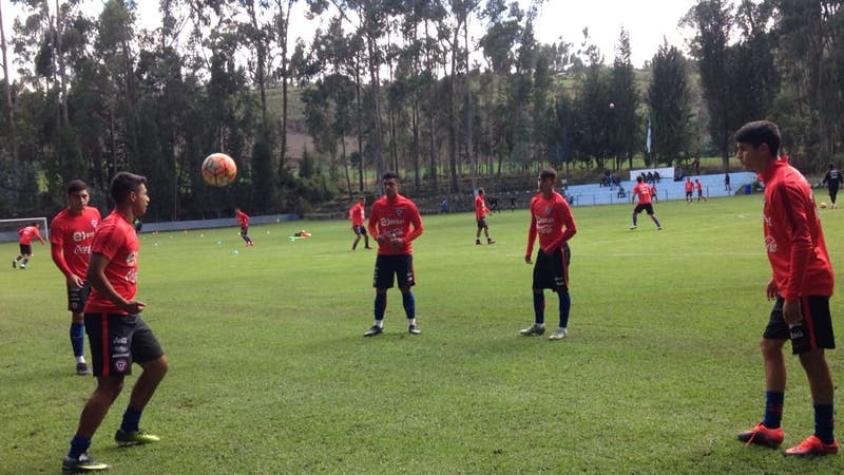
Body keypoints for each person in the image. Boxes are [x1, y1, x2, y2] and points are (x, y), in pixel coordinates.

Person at [734, 120, 838, 456]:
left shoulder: (783, 184)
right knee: (769, 346)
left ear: (763, 149)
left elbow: (803, 241)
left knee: (811, 357)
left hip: (805, 285)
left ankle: (824, 437)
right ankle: (772, 425)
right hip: (793, 281)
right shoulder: (780, 178)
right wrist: (778, 277)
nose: (739, 156)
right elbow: (789, 240)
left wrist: (791, 293)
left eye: (743, 149)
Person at [62, 172, 168, 473]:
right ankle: (76, 454)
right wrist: (122, 302)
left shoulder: (127, 225)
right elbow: (95, 274)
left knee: (158, 365)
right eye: (145, 193)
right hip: (109, 314)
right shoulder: (113, 228)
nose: (148, 198)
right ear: (132, 196)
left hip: (127, 314)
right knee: (110, 385)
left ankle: (128, 429)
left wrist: (127, 305)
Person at [50, 179, 101, 376]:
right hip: (77, 278)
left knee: (102, 313)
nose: (82, 200)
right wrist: (69, 275)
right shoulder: (59, 221)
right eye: (77, 197)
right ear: (69, 198)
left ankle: (102, 353)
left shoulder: (94, 213)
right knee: (79, 316)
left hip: (98, 275)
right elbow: (56, 253)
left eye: (85, 196)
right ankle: (80, 360)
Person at [364, 173, 424, 337]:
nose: (388, 187)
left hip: (403, 254)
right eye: (385, 184)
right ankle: (378, 325)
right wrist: (377, 237)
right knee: (380, 290)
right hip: (384, 255)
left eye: (391, 184)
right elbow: (371, 226)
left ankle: (412, 324)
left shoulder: (407, 205)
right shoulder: (378, 205)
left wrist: (404, 240)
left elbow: (419, 228)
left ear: (398, 185)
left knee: (405, 288)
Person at [521, 168, 577, 341]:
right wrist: (529, 250)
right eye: (538, 180)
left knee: (562, 289)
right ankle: (539, 324)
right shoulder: (535, 201)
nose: (538, 183)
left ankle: (562, 328)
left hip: (558, 251)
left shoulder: (559, 203)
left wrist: (554, 246)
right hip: (543, 252)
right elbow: (533, 227)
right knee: (536, 287)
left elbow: (572, 229)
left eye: (541, 180)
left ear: (551, 182)